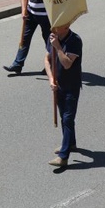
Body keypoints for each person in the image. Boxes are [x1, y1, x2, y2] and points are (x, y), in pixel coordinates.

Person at [44, 24, 83, 167]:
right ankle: (70, 143)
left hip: (71, 86)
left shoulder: (75, 40)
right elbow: (46, 60)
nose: (53, 27)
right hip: (58, 86)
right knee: (64, 117)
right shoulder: (53, 37)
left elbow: (67, 64)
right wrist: (51, 79)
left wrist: (58, 47)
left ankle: (63, 156)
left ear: (66, 26)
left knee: (67, 118)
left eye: (57, 25)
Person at [3, 0, 51, 74]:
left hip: (46, 15)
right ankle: (17, 64)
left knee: (49, 40)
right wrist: (24, 9)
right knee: (24, 38)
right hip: (31, 13)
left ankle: (51, 64)